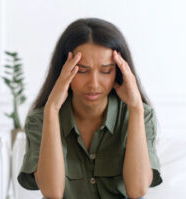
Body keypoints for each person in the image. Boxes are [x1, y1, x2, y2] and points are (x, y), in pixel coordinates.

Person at [17, 17, 163, 199]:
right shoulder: (40, 119)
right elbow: (52, 192)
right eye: (83, 71)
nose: (94, 84)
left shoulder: (140, 115)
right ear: (64, 69)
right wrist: (52, 110)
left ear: (120, 70)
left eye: (106, 71)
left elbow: (138, 190)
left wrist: (135, 109)